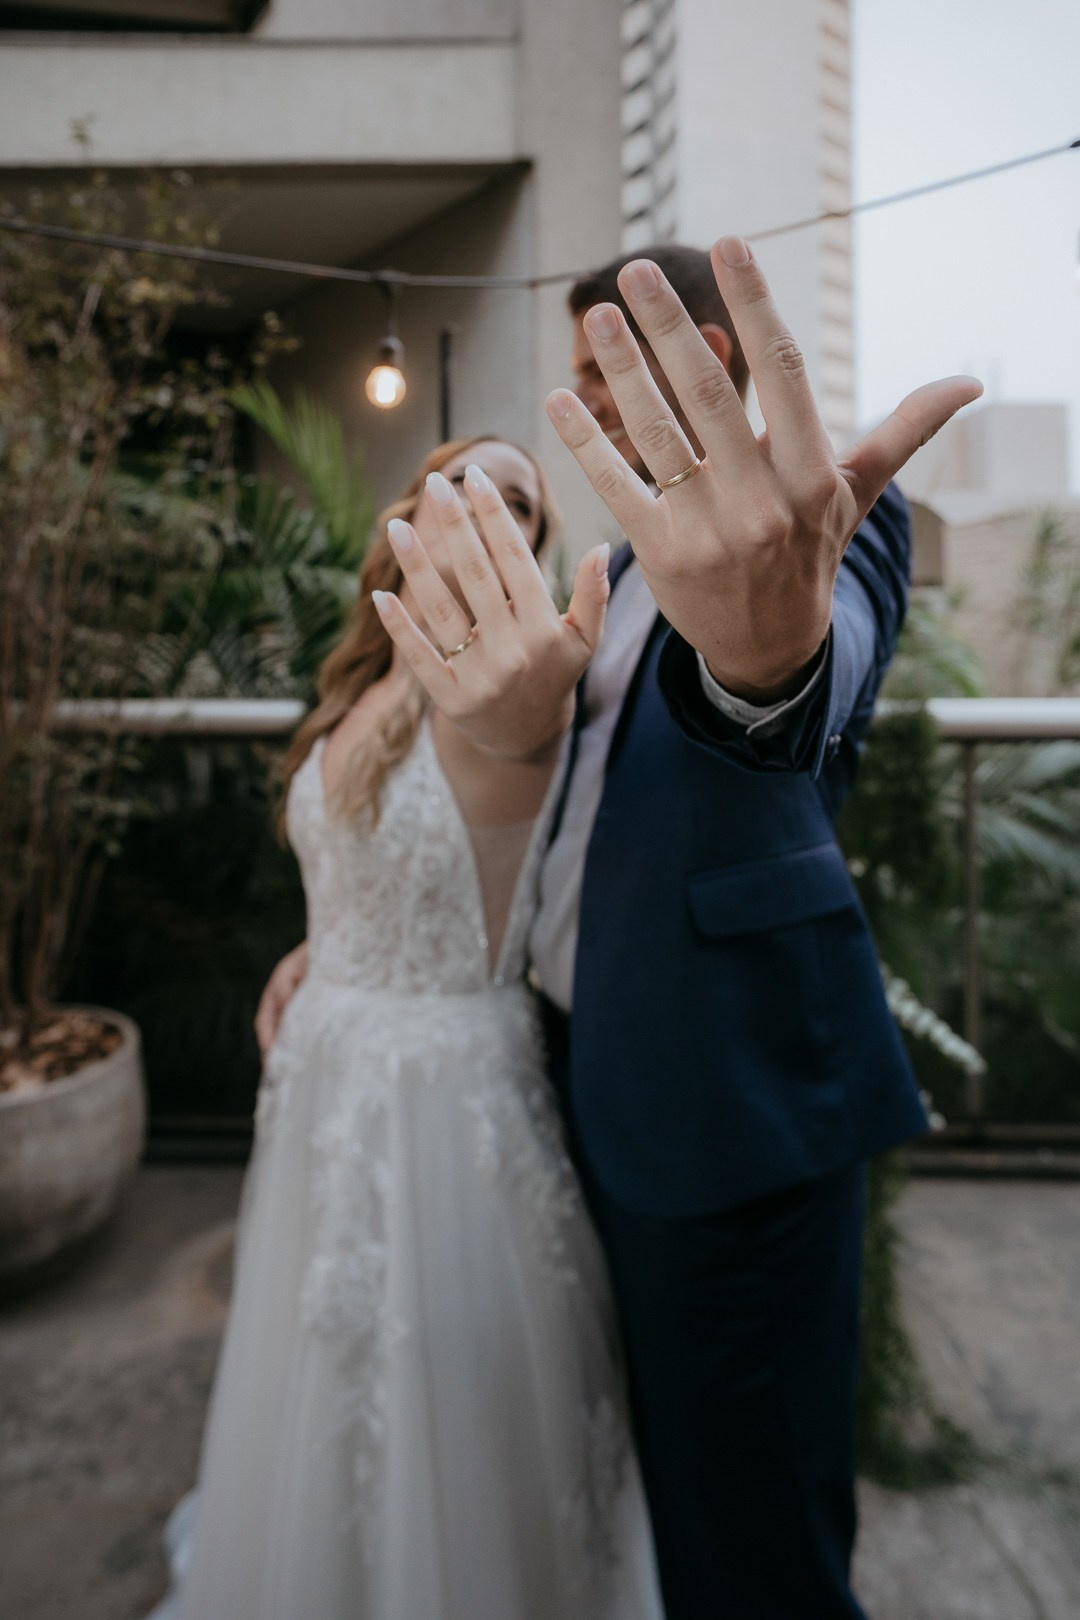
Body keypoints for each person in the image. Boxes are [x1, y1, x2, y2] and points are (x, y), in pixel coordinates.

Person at [360, 239, 982, 1619]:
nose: (589, 398)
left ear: (708, 360)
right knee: (653, 1482)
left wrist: (769, 667)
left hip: (729, 1106)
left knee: (753, 1534)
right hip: (577, 1072)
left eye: (615, 366)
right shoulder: (615, 569)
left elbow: (808, 674)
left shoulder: (812, 521)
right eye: (577, 372)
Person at [151, 435, 663, 1620]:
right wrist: (313, 952)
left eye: (520, 498)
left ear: (529, 545)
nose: (485, 500)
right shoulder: (360, 687)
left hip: (446, 1104)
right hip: (326, 1078)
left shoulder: (513, 694)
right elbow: (366, 871)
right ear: (408, 512)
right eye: (459, 478)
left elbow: (533, 721)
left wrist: (541, 676)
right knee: (315, 1376)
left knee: (443, 1404)